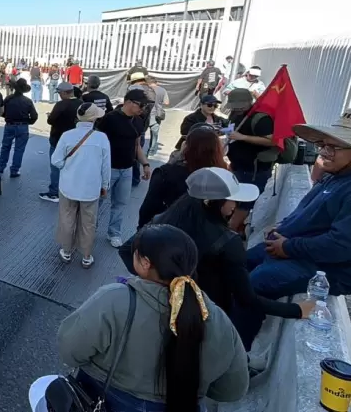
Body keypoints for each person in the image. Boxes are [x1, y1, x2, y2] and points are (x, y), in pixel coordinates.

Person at [57, 224, 249, 411]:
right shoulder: (216, 318)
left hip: (107, 399)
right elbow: (233, 389)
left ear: (145, 263)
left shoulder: (113, 300)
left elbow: (70, 350)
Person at [121, 169, 315, 351]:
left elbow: (126, 251)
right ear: (211, 202)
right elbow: (246, 298)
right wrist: (296, 310)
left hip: (153, 311)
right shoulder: (228, 242)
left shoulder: (163, 220)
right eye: (231, 200)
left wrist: (159, 282)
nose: (235, 206)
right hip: (202, 321)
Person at [237, 108, 351, 349]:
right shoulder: (335, 175)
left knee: (259, 281)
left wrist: (289, 246)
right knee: (240, 261)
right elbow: (308, 214)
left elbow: (340, 246)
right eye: (323, 145)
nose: (324, 152)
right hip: (297, 247)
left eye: (333, 148)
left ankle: (238, 349)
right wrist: (283, 228)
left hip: (327, 268)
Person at [52, 103, 110, 269]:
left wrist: (68, 167)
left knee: (67, 218)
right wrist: (105, 185)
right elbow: (106, 166)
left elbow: (55, 160)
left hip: (68, 186)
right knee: (88, 222)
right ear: (94, 118)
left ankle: (67, 251)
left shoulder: (67, 135)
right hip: (91, 188)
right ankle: (86, 256)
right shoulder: (102, 138)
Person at [138, 126, 227, 228]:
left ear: (188, 147)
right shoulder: (220, 176)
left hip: (163, 231)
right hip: (199, 234)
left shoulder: (166, 173)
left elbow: (147, 209)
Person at [95, 90, 151, 247]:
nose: (143, 109)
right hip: (108, 169)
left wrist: (145, 164)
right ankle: (89, 230)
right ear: (128, 102)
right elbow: (98, 143)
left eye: (145, 106)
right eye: (141, 105)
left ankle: (114, 233)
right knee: (97, 202)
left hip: (127, 169)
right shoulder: (109, 119)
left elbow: (136, 145)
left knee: (120, 203)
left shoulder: (138, 121)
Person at [224, 88, 274, 233]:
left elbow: (272, 141)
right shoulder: (236, 114)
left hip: (254, 169)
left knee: (245, 202)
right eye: (235, 105)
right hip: (237, 165)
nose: (237, 108)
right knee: (233, 197)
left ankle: (230, 231)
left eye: (241, 105)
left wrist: (243, 137)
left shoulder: (261, 118)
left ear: (249, 102)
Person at [39, 82, 81, 202]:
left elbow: (51, 120)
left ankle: (54, 193)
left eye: (60, 93)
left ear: (64, 92)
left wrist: (49, 116)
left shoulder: (61, 104)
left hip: (58, 139)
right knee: (72, 167)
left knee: (56, 167)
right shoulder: (81, 103)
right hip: (76, 141)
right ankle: (70, 191)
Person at [0, 78, 38, 178]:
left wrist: (7, 117)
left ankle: (1, 167)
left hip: (10, 125)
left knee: (5, 147)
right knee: (19, 150)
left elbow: (2, 112)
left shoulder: (8, 99)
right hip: (22, 126)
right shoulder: (28, 101)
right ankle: (14, 170)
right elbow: (34, 116)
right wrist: (27, 122)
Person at [147, 76, 170, 158]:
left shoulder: (145, 90)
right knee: (154, 134)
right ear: (156, 82)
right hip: (157, 114)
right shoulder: (162, 90)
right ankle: (151, 151)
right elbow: (167, 102)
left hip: (146, 114)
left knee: (141, 133)